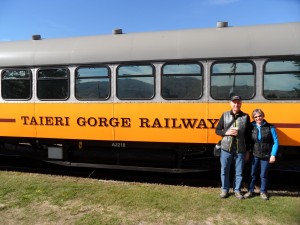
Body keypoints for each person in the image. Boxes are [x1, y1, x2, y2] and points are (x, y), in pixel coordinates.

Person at [215, 95, 251, 199]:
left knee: (239, 171)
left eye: (238, 102)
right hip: (226, 147)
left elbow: (248, 135)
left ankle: (237, 191)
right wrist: (226, 132)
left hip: (241, 148)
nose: (236, 104)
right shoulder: (225, 115)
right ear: (230, 104)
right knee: (225, 169)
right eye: (234, 102)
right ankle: (225, 190)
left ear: (241, 104)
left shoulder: (246, 116)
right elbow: (217, 130)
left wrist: (248, 150)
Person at [244, 109, 279, 200]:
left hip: (266, 155)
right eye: (255, 117)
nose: (258, 118)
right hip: (254, 154)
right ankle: (250, 191)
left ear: (263, 116)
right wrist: (247, 151)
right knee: (252, 174)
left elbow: (275, 141)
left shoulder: (270, 127)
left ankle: (263, 192)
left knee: (263, 175)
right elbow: (248, 141)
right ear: (253, 118)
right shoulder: (251, 126)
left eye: (259, 116)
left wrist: (273, 154)